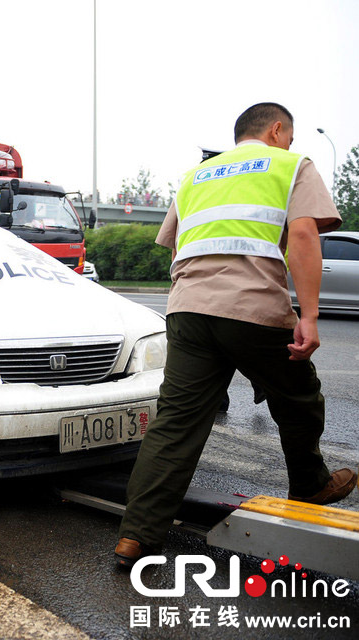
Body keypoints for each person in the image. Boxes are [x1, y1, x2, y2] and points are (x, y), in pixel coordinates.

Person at [114, 103, 356, 568]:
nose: (290, 143)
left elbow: (178, 243)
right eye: (290, 135)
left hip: (187, 309)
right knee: (300, 396)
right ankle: (310, 483)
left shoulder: (197, 176)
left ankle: (136, 536)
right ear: (278, 129)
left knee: (176, 423)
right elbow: (304, 237)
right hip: (251, 307)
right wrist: (308, 315)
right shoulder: (290, 163)